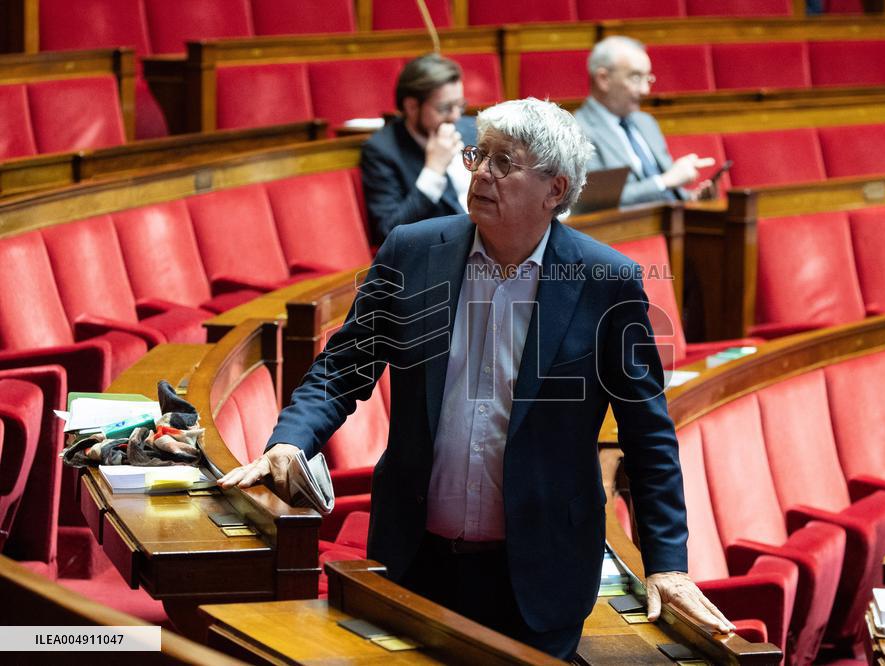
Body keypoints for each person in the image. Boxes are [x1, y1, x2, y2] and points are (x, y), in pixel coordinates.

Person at [220, 98, 734, 659]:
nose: (481, 173)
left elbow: (647, 432)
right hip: (414, 558)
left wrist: (667, 565)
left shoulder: (606, 280)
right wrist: (291, 441)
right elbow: (344, 368)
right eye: (478, 156)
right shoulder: (412, 252)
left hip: (541, 574)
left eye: (504, 163)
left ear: (554, 190)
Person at [575, 36, 715, 207]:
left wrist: (691, 198)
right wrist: (664, 181)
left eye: (647, 79)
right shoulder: (577, 130)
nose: (645, 90)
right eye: (635, 77)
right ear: (603, 79)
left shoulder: (646, 122)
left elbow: (665, 191)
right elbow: (592, 201)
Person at [361, 53, 477, 243]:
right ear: (412, 106)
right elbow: (389, 231)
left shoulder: (472, 129)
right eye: (444, 108)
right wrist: (433, 171)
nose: (456, 116)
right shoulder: (382, 151)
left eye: (459, 106)